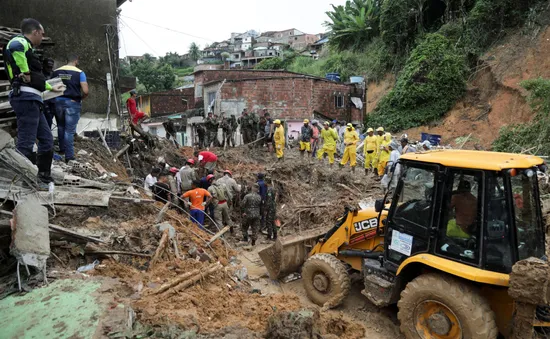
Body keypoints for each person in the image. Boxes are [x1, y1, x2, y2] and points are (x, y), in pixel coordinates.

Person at [5, 18, 64, 186]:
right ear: (36, 32)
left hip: (34, 100)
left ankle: (43, 176)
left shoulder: (28, 49)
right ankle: (20, 181)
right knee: (26, 141)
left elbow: (37, 81)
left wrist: (52, 89)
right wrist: (25, 71)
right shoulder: (19, 41)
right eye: (42, 34)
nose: (43, 38)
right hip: (25, 98)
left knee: (46, 140)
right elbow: (15, 48)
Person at [53, 54, 89, 163]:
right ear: (76, 61)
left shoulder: (56, 72)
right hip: (72, 103)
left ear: (66, 60)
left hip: (58, 101)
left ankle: (62, 149)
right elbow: (86, 90)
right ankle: (69, 156)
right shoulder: (80, 73)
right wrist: (81, 98)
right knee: (69, 130)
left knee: (60, 126)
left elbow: (50, 86)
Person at [42, 58, 56, 128]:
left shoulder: (53, 74)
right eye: (48, 67)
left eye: (51, 67)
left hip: (52, 99)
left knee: (50, 118)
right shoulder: (40, 74)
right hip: (43, 99)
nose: (49, 69)